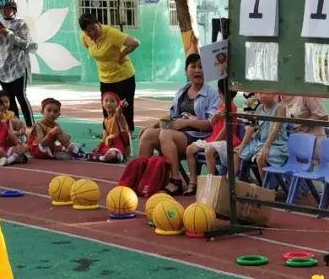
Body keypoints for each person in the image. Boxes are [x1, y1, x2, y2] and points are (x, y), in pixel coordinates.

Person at [136, 53, 224, 195]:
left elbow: (210, 125)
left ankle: (175, 180)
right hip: (176, 134)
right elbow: (170, 116)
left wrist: (187, 122)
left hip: (199, 138)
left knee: (166, 134)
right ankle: (143, 178)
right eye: (193, 66)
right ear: (186, 71)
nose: (197, 70)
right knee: (147, 135)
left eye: (201, 67)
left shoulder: (212, 95)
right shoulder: (181, 91)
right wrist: (153, 126)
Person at [78, 13, 140, 132]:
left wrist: (121, 55)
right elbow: (93, 51)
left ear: (98, 23)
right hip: (105, 79)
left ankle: (127, 140)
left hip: (124, 77)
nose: (91, 33)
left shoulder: (111, 33)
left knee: (125, 109)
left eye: (93, 28)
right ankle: (107, 139)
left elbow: (134, 43)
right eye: (87, 31)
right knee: (107, 109)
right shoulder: (85, 38)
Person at [0, 0, 33, 127]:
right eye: (0, 8)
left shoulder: (20, 23)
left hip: (18, 67)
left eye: (6, 8)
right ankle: (17, 127)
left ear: (13, 8)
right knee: (9, 100)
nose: (3, 11)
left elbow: (24, 43)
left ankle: (31, 127)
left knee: (21, 96)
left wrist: (7, 32)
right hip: (3, 68)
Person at [236, 92, 288, 182]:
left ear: (273, 93)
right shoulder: (259, 108)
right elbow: (252, 127)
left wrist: (266, 147)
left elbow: (276, 129)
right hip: (259, 143)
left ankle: (266, 189)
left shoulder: (280, 108)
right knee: (237, 153)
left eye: (266, 93)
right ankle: (231, 184)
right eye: (259, 93)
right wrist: (242, 145)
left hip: (276, 145)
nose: (262, 95)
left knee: (260, 158)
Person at [88, 91, 130, 162]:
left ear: (117, 104)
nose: (108, 103)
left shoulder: (118, 116)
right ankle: (104, 156)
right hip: (108, 145)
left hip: (118, 145)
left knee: (112, 153)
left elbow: (119, 111)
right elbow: (104, 138)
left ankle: (103, 158)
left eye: (112, 101)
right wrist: (99, 146)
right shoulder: (105, 121)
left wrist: (121, 104)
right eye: (106, 101)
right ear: (102, 103)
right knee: (97, 150)